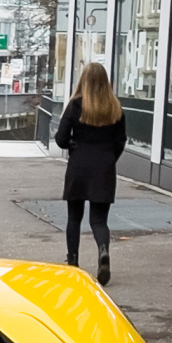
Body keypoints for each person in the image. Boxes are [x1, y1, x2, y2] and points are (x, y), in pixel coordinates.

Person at [51, 61, 127, 284]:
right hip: (104, 167)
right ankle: (103, 251)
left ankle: (73, 262)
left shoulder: (76, 105)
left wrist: (74, 145)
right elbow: (121, 140)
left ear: (83, 81)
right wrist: (109, 158)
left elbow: (61, 139)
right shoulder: (115, 108)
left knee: (74, 218)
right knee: (99, 220)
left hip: (79, 166)